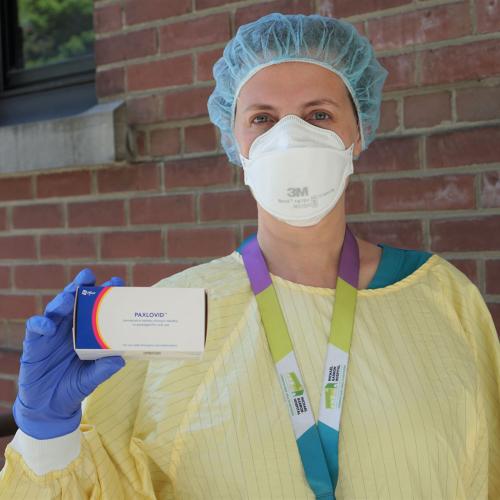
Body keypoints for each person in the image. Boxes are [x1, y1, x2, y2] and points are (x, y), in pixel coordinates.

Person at [1, 12, 499, 500]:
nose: (289, 137)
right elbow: (103, 484)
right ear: (236, 143)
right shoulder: (174, 315)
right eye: (262, 118)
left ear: (359, 133)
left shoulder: (442, 298)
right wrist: (48, 435)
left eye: (318, 115)